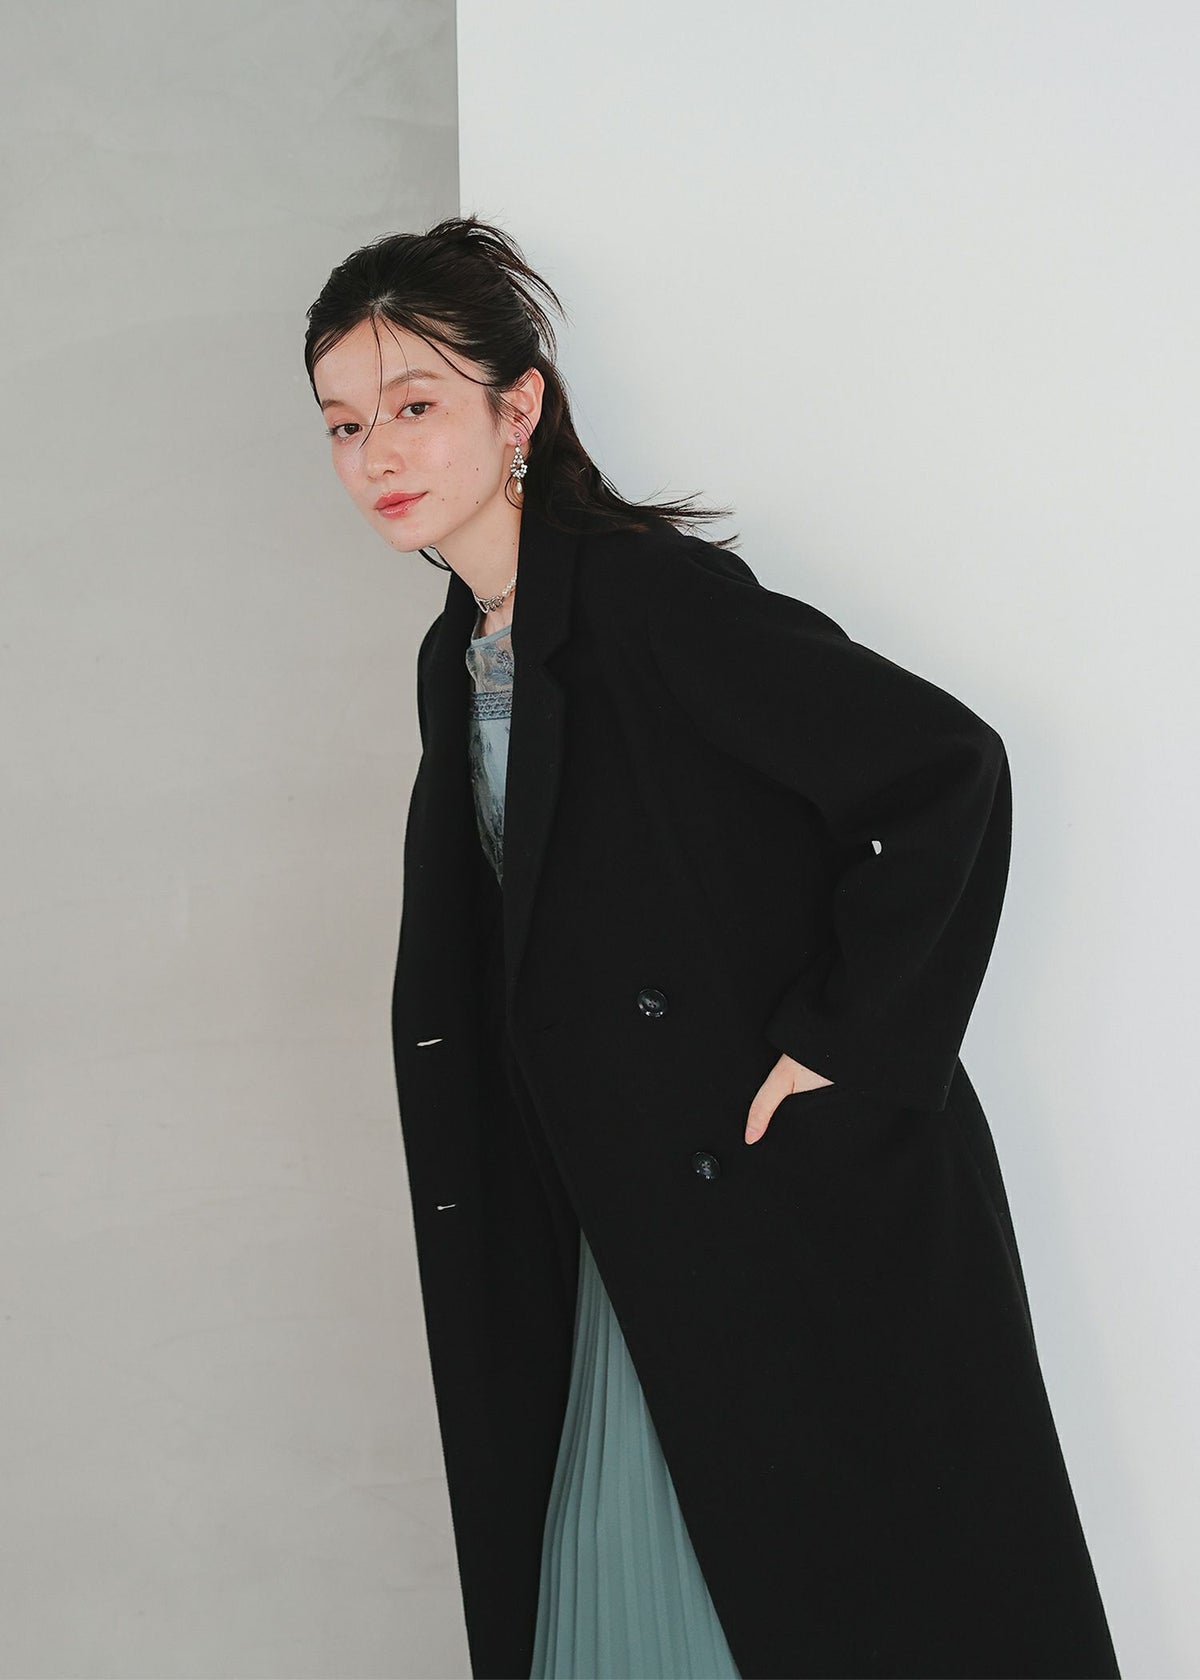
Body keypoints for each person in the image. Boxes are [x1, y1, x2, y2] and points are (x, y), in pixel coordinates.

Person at [304, 216, 1121, 1680]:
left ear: (519, 407)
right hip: (608, 1223)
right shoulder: (461, 645)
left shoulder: (644, 599)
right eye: (346, 423)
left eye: (415, 404)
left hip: (754, 1211)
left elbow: (945, 771)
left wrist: (843, 1045)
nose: (378, 455)